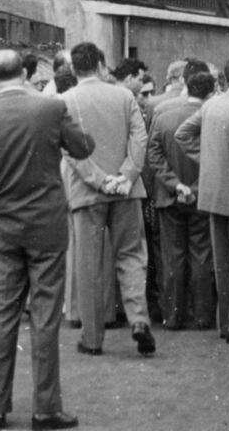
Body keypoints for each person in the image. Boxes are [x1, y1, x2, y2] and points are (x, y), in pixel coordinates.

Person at [0, 48, 94, 430]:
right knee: (46, 318)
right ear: (24, 72)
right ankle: (46, 408)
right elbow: (83, 148)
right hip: (47, 227)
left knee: (1, 316)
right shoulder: (50, 109)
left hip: (1, 231)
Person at [60, 41, 155, 358]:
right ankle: (139, 320)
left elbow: (70, 152)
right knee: (131, 256)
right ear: (101, 65)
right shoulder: (125, 95)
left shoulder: (66, 101)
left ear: (74, 69)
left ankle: (92, 337)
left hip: (88, 195)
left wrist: (100, 180)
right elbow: (139, 138)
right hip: (127, 191)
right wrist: (126, 176)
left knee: (89, 266)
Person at [175, 53, 229, 342]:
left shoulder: (212, 104)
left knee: (222, 262)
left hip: (212, 193)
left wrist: (210, 161)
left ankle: (226, 322)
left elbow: (182, 134)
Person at [146, 71, 217, 331]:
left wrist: (175, 185)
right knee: (201, 254)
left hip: (170, 195)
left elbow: (153, 155)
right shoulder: (211, 119)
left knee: (172, 256)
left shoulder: (164, 117)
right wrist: (195, 188)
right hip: (202, 195)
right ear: (210, 92)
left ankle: (173, 316)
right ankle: (202, 315)